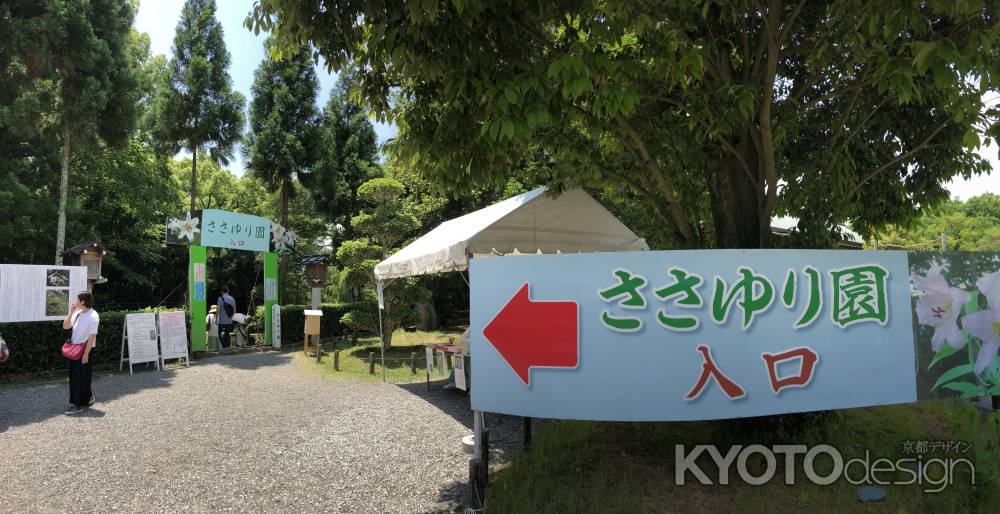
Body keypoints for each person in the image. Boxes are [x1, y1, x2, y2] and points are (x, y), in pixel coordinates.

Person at [63, 291, 99, 415]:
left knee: (80, 378)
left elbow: (92, 336)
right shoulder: (78, 313)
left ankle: (77, 405)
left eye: (77, 300)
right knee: (75, 376)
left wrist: (86, 354)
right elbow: (66, 326)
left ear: (83, 301)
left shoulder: (93, 315)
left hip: (85, 350)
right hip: (75, 350)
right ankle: (87, 398)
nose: (75, 302)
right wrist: (71, 311)